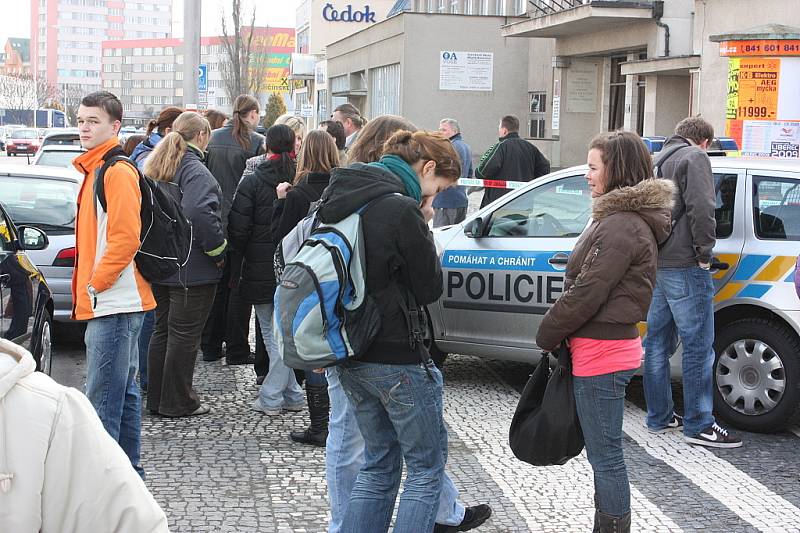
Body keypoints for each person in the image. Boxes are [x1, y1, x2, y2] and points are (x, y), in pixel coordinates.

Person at [327, 115, 492, 533]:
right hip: (398, 355)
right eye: (439, 189)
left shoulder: (345, 193)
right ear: (428, 170)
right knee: (424, 468)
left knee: (379, 465)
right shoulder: (401, 209)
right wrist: (423, 218)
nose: (435, 197)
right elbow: (428, 287)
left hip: (351, 353)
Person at [536, 131, 674, 533]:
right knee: (603, 452)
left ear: (616, 170)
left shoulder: (622, 225)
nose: (588, 176)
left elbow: (587, 292)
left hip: (603, 350)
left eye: (593, 167)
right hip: (601, 346)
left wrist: (546, 332)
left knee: (606, 454)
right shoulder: (618, 220)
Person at [643, 116, 743, 448]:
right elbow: (703, 207)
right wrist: (705, 253)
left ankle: (659, 416)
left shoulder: (659, 161)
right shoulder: (695, 157)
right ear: (704, 142)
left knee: (657, 342)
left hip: (661, 263)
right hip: (687, 263)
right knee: (698, 345)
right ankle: (700, 423)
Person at [0, 339, 169, 532]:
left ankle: (130, 470)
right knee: (119, 389)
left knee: (116, 391)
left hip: (110, 313)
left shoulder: (51, 412)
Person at [72, 91, 156, 477]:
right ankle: (127, 481)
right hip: (114, 301)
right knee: (122, 395)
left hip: (115, 302)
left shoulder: (116, 171)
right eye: (81, 120)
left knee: (104, 401)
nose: (84, 127)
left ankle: (105, 491)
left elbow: (125, 238)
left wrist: (96, 285)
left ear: (115, 126)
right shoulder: (98, 169)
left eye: (93, 121)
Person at [143, 111, 226, 418]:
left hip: (163, 266)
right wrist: (219, 251)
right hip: (192, 269)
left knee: (162, 332)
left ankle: (157, 398)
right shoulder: (197, 172)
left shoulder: (158, 164)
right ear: (202, 136)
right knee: (184, 337)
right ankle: (178, 401)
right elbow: (200, 215)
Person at [227, 124, 305, 416]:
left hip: (259, 266)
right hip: (296, 267)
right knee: (285, 334)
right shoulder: (299, 178)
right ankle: (294, 395)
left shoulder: (252, 181)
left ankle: (272, 397)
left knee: (273, 337)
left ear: (266, 147)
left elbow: (238, 228)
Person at [271, 129, 339, 446]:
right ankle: (336, 421)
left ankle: (319, 425)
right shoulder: (341, 188)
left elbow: (283, 239)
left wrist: (280, 202)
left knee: (313, 348)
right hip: (337, 275)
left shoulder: (298, 194)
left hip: (306, 279)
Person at [202, 94, 264, 366]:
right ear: (252, 114)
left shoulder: (213, 139)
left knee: (215, 288)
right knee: (237, 289)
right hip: (240, 222)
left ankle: (210, 345)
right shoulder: (257, 142)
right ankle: (236, 344)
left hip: (214, 220)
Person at [130, 106, 183, 394]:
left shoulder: (144, 156)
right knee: (150, 320)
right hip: (150, 250)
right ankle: (148, 379)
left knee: (153, 320)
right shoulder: (145, 160)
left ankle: (148, 378)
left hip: (149, 250)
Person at [477, 115, 550, 208]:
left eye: (499, 128)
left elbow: (482, 171)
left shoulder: (501, 146)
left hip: (500, 204)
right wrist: (531, 184)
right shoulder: (530, 147)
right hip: (524, 202)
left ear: (504, 131)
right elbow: (545, 168)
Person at [434, 118, 473, 227]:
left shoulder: (448, 147)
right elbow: (469, 174)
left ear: (454, 131)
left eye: (444, 130)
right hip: (461, 200)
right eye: (439, 129)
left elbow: (441, 172)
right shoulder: (466, 147)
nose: (440, 133)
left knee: (441, 238)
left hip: (445, 201)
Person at [243, 113, 306, 180]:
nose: (296, 143)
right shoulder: (254, 163)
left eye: (299, 138)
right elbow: (243, 189)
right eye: (292, 137)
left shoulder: (303, 167)